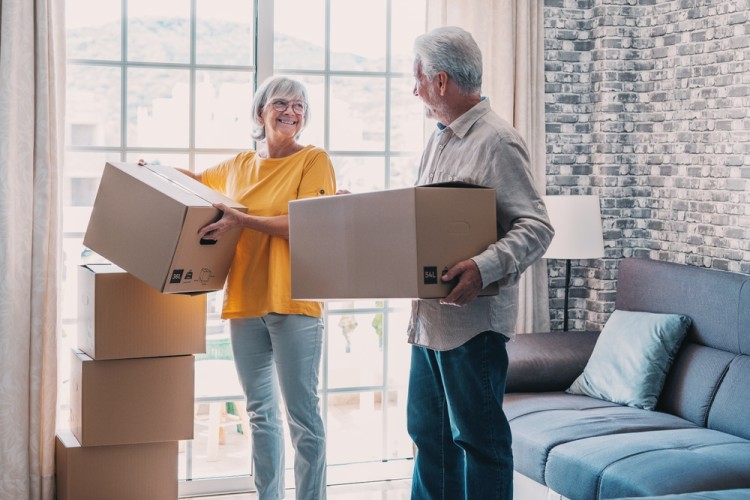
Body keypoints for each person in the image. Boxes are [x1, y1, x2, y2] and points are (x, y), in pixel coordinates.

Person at [407, 26, 554, 500]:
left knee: (479, 443)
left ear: (441, 81)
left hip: (473, 328)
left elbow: (536, 227)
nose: (415, 89)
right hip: (428, 322)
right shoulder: (439, 139)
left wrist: (483, 266)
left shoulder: (498, 141)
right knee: (429, 439)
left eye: (419, 78)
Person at [172, 76, 334, 500]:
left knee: (303, 416)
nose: (291, 112)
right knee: (261, 414)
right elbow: (197, 185)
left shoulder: (313, 160)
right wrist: (153, 172)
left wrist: (242, 220)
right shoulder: (240, 165)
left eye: (300, 105)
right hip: (245, 303)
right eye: (281, 103)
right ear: (260, 112)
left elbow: (307, 225)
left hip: (294, 303)